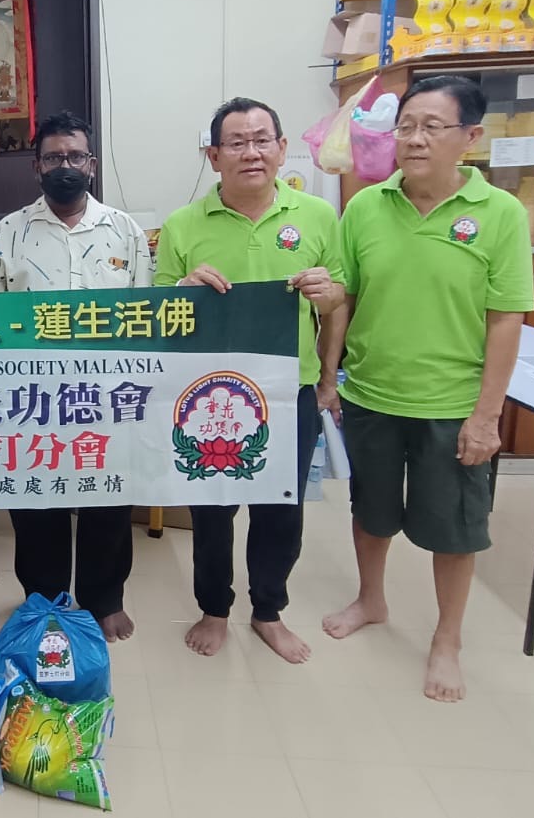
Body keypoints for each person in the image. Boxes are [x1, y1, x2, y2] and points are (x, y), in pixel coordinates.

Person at [321, 76, 534, 701]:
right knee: (371, 511)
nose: (414, 139)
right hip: (372, 394)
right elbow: (344, 298)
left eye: (431, 127)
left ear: (471, 136)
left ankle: (447, 638)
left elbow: (506, 319)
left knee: (454, 529)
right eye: (406, 126)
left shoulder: (500, 214)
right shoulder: (366, 206)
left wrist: (486, 416)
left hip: (453, 404)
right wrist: (330, 376)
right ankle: (371, 599)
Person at [156, 97, 344, 664]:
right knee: (212, 511)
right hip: (207, 396)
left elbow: (338, 300)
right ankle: (214, 609)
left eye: (262, 140)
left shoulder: (318, 216)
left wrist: (328, 367)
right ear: (213, 156)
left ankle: (268, 611)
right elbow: (158, 313)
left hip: (289, 393)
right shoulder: (183, 224)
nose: (251, 152)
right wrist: (183, 291)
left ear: (282, 148)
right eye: (236, 143)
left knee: (280, 512)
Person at [0, 110, 152, 641]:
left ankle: (104, 598)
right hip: (31, 399)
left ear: (91, 164)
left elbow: (147, 316)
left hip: (109, 395)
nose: (64, 166)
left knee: (108, 499)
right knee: (36, 501)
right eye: (53, 158)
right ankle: (43, 599)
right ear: (37, 167)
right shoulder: (8, 233)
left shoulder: (125, 231)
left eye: (74, 156)